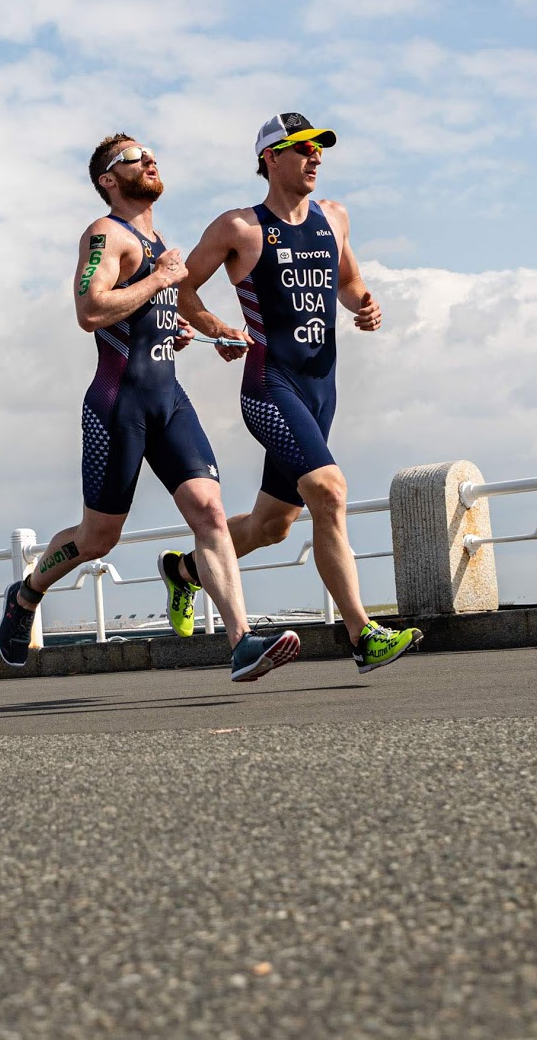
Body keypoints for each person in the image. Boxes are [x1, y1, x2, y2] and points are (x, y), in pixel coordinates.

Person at [0, 133, 300, 683]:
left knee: (209, 510)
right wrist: (159, 280)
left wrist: (211, 330)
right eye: (134, 158)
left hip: (170, 400)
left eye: (151, 154)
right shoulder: (104, 235)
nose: (150, 160)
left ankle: (241, 643)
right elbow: (91, 310)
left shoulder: (158, 241)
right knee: (98, 538)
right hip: (119, 405)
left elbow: (164, 307)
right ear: (109, 180)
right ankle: (26, 594)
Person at [163, 112, 422, 674]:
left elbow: (348, 282)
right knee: (329, 490)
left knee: (271, 527)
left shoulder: (334, 217)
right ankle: (362, 636)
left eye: (320, 149)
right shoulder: (239, 227)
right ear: (270, 159)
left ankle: (183, 571)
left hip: (321, 389)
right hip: (269, 385)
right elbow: (183, 291)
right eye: (303, 149)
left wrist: (365, 304)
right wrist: (218, 330)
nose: (316, 158)